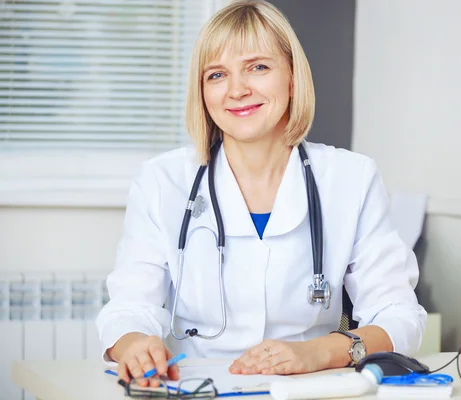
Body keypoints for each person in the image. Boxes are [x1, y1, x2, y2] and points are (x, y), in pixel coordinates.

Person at [96, 0, 427, 388]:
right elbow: (131, 304)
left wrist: (319, 351)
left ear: (291, 78)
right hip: (204, 388)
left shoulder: (350, 178)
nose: (237, 89)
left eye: (258, 67)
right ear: (202, 92)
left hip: (313, 388)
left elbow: (400, 316)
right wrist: (134, 342)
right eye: (217, 75)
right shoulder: (162, 182)